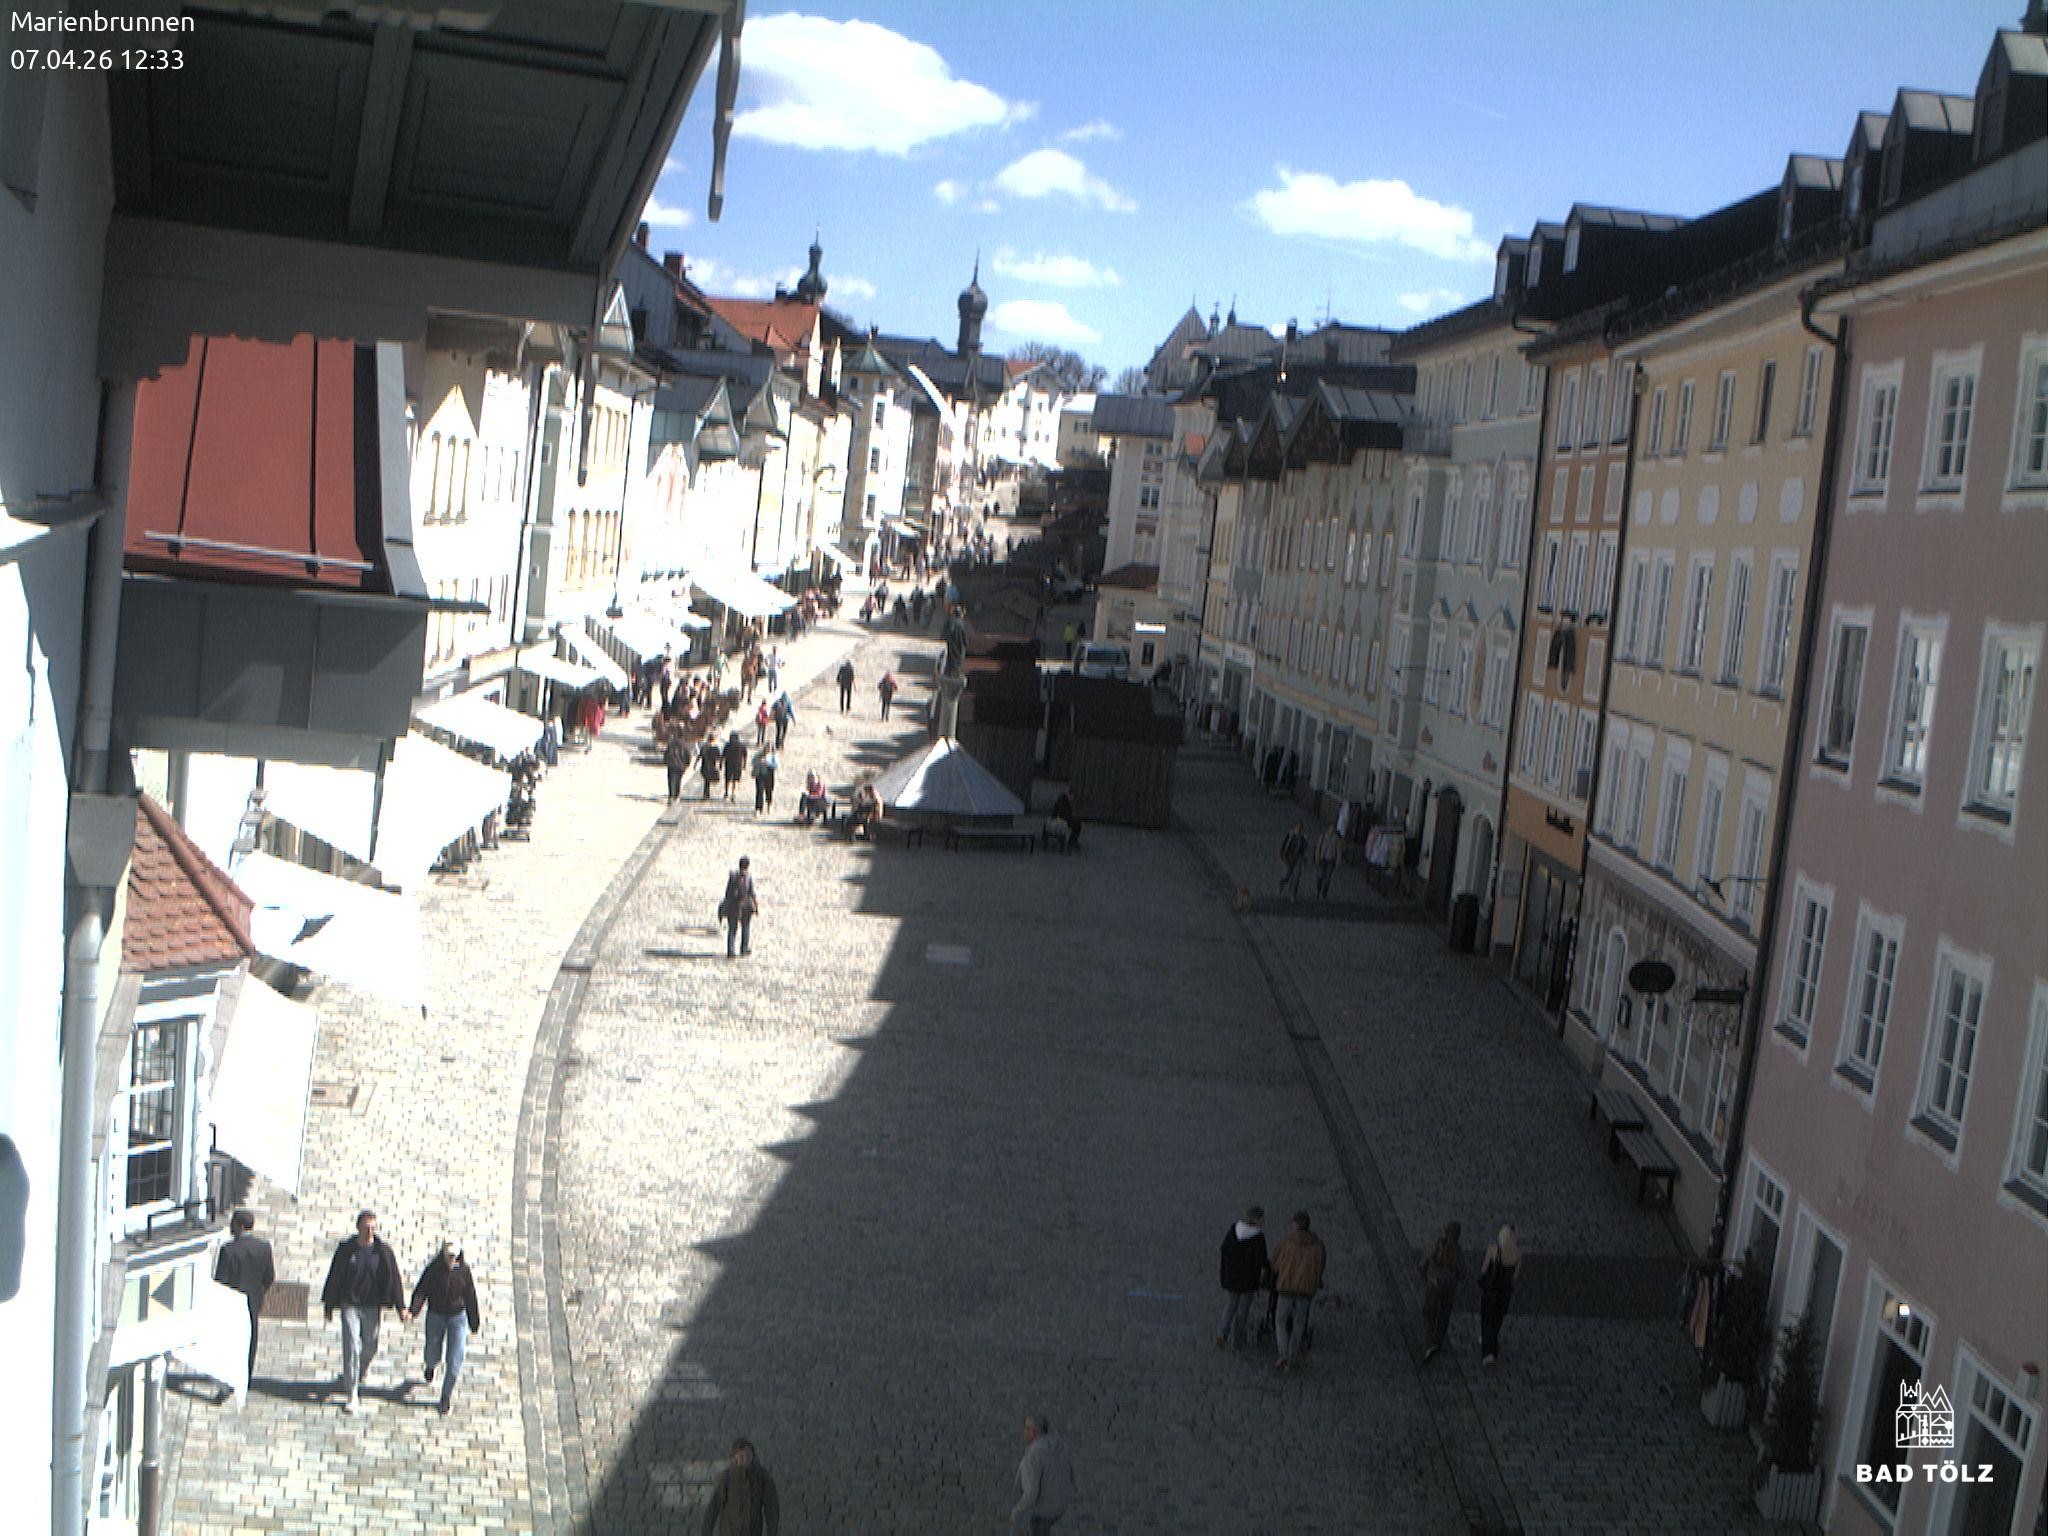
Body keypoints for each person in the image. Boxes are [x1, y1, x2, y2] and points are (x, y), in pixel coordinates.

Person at [320, 1209, 408, 1414]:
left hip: (372, 1305)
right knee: (351, 1346)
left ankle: (362, 1368)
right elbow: (334, 1276)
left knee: (371, 1344)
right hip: (350, 1304)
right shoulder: (346, 1250)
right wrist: (329, 1305)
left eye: (373, 1228)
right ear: (358, 1227)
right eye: (366, 1227)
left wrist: (401, 1307)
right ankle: (352, 1393)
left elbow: (394, 1279)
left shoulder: (382, 1252)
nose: (369, 1231)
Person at [409, 1239, 480, 1415]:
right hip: (436, 1315)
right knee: (432, 1351)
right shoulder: (433, 1270)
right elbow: (421, 1291)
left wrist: (474, 1321)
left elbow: (470, 1295)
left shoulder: (464, 1272)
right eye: (448, 1256)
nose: (451, 1259)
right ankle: (430, 1366)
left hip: (457, 1317)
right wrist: (413, 1310)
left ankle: (445, 1396)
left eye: (454, 1256)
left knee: (455, 1360)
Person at [213, 1208, 275, 1389]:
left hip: (232, 1303)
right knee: (250, 1339)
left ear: (240, 1226)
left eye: (233, 1224)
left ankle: (228, 1379)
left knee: (230, 1342)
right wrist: (259, 1292)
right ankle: (246, 1377)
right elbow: (269, 1276)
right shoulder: (264, 1248)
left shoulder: (228, 1250)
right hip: (253, 1301)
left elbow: (221, 1280)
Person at [1269, 1210, 1327, 1372]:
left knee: (1280, 1320)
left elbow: (1275, 1265)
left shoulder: (1286, 1242)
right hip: (1306, 1290)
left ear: (1295, 1224)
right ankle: (1292, 1354)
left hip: (1286, 1287)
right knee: (1299, 1321)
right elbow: (1320, 1267)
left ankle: (1283, 1354)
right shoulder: (1318, 1246)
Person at [1010, 1413, 1077, 1534]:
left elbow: (1031, 1493)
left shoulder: (1033, 1456)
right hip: (1062, 1503)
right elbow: (1071, 1475)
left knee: (1038, 1526)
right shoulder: (1060, 1444)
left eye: (1027, 1428)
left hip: (1045, 1510)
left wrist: (1016, 1512)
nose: (1024, 1432)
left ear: (1035, 1432)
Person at [1214, 1206, 1268, 1352]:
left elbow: (1224, 1252)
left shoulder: (1233, 1231)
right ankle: (1238, 1341)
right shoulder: (1257, 1238)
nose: (1264, 1221)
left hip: (1231, 1279)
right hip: (1248, 1281)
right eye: (1262, 1218)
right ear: (1256, 1220)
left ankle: (1221, 1333)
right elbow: (1262, 1260)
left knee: (1230, 1306)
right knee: (1242, 1311)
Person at [702, 1437, 778, 1536]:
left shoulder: (762, 1476)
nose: (745, 1460)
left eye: (748, 1456)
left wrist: (772, 1532)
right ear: (734, 1458)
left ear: (753, 1456)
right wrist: (706, 1532)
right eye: (742, 1456)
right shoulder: (726, 1478)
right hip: (729, 1532)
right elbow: (713, 1507)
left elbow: (771, 1507)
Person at [1477, 1225, 1522, 1366]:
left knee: (1486, 1319)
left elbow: (1484, 1269)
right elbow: (1514, 1277)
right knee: (1497, 1319)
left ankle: (1487, 1352)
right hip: (1505, 1293)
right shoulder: (1518, 1253)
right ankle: (1493, 1345)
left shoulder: (1493, 1250)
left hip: (1491, 1291)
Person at [1421, 1220, 1465, 1363]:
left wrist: (1426, 1276)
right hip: (1449, 1286)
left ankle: (1429, 1343)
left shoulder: (1435, 1246)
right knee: (1444, 1313)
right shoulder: (1458, 1252)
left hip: (1434, 1284)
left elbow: (1423, 1264)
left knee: (1429, 1313)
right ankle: (1438, 1341)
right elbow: (1462, 1273)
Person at [720, 856, 759, 958]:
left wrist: (725, 906)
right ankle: (744, 949)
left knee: (732, 928)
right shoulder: (748, 877)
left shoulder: (733, 877)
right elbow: (752, 893)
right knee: (745, 927)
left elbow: (727, 893)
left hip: (733, 906)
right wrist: (756, 906)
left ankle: (731, 951)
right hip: (746, 905)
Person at [1278, 822, 1309, 898]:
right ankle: (1281, 884)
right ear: (1295, 828)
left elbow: (1305, 849)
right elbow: (1284, 845)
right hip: (1289, 858)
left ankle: (1293, 894)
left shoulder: (1303, 838)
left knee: (1296, 877)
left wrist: (1305, 859)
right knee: (1286, 875)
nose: (1298, 830)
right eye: (1297, 828)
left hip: (1298, 859)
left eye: (1300, 828)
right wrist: (1282, 856)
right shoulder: (1290, 835)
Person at [1314, 821, 1342, 899]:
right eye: (1331, 828)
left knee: (1328, 878)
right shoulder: (1323, 836)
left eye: (1333, 828)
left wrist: (1338, 860)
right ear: (1328, 828)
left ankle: (1324, 892)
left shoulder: (1336, 838)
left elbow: (1338, 850)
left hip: (1331, 860)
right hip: (1322, 859)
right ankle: (1318, 890)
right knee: (1320, 876)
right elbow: (1318, 847)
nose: (1332, 830)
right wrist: (1317, 857)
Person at [664, 731, 691, 803]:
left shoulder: (671, 744)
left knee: (670, 781)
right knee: (678, 781)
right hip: (681, 766)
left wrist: (666, 762)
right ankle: (676, 796)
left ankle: (670, 796)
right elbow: (688, 756)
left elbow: (666, 754)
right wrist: (687, 765)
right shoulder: (685, 745)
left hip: (671, 765)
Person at [722, 732, 747, 801]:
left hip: (729, 765)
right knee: (735, 780)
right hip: (737, 765)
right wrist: (744, 765)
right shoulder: (742, 745)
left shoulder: (727, 745)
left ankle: (726, 792)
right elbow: (745, 756)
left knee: (727, 779)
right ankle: (733, 793)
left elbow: (723, 755)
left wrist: (721, 763)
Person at [753, 747, 779, 814]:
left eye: (769, 750)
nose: (768, 751)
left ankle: (769, 806)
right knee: (759, 792)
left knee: (769, 791)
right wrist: (759, 762)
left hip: (769, 776)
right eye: (767, 749)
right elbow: (753, 762)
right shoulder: (758, 755)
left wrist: (767, 763)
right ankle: (758, 809)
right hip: (760, 775)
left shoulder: (773, 756)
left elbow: (776, 766)